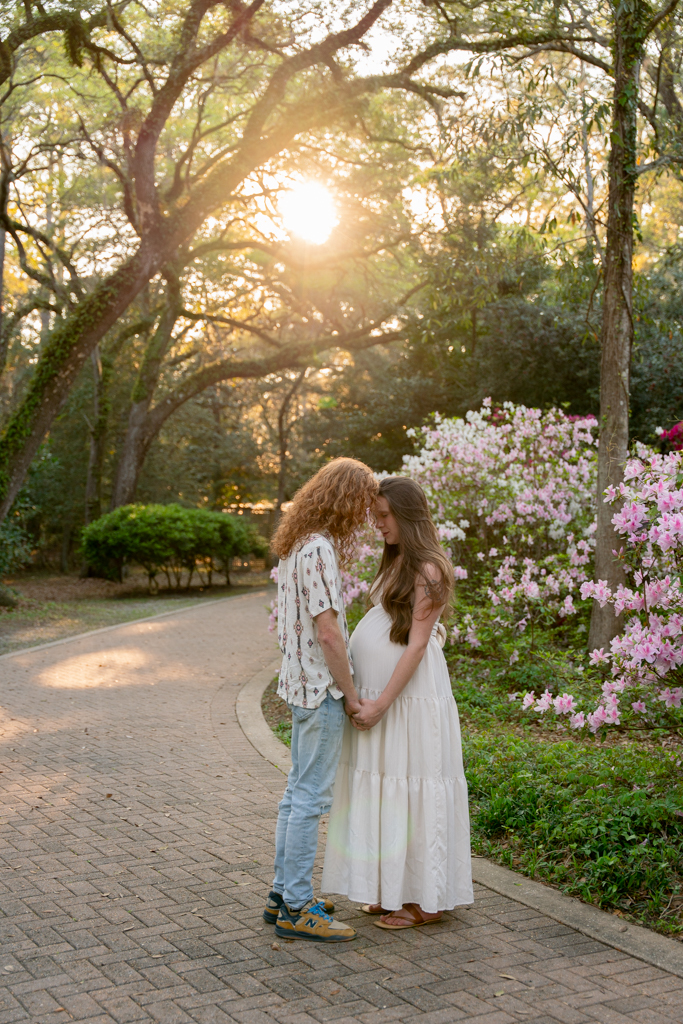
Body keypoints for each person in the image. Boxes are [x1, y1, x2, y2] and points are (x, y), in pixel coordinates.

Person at [322, 476, 473, 928]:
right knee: (389, 788)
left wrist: (382, 703)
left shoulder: (429, 568)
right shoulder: (398, 560)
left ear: (407, 516)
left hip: (409, 700)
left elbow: (418, 645)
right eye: (376, 515)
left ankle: (426, 903)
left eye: (384, 516)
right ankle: (394, 890)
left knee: (416, 785)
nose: (377, 523)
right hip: (387, 700)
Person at [264, 457, 378, 942]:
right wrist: (350, 695)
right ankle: (296, 907)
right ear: (348, 501)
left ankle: (282, 894)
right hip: (320, 690)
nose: (367, 514)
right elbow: (328, 632)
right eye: (365, 503)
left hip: (297, 686)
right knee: (310, 798)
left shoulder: (297, 545)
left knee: (296, 794)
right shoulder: (319, 550)